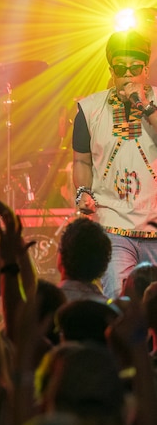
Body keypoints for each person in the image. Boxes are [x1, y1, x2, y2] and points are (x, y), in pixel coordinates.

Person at [72, 30, 157, 298]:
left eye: (135, 68)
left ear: (146, 69)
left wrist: (146, 107)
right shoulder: (89, 110)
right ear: (111, 70)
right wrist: (83, 191)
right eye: (121, 68)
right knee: (121, 302)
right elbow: (81, 160)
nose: (128, 75)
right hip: (113, 225)